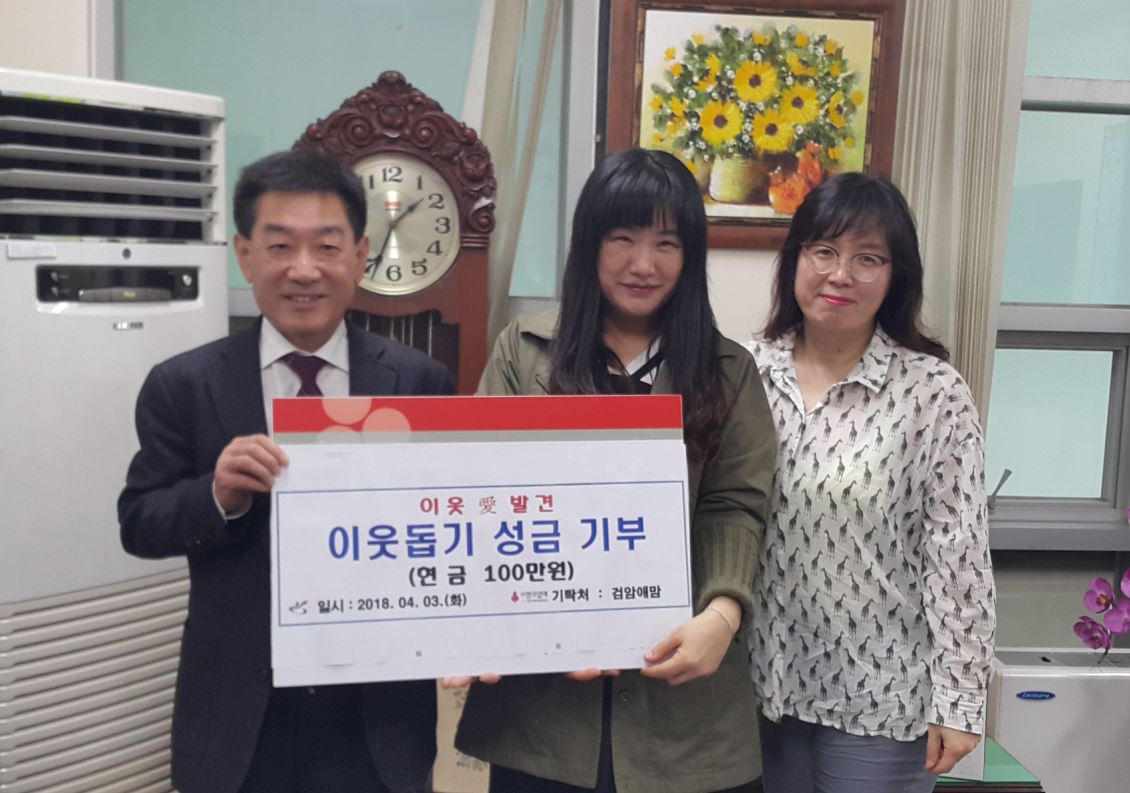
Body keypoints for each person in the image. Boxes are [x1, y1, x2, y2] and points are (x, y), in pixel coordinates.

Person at [118, 149, 453, 793]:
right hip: (239, 713)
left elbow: (446, 528)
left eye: (327, 247)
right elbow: (139, 522)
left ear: (360, 255)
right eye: (279, 247)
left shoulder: (419, 382)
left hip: (375, 713)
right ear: (245, 256)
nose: (304, 269)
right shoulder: (183, 384)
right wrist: (217, 494)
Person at [453, 147, 776, 793]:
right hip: (543, 716)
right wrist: (478, 621)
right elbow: (486, 495)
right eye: (622, 238)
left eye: (666, 243)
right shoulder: (525, 351)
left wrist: (722, 615)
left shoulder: (728, 371)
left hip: (685, 714)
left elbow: (734, 506)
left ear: (690, 256)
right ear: (589, 244)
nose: (643, 263)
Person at [744, 172, 996, 793]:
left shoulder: (933, 393)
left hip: (880, 695)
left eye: (868, 259)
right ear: (795, 258)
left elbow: (957, 555)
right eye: (824, 250)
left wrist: (961, 698)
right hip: (752, 687)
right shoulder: (743, 371)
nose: (840, 274)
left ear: (895, 276)